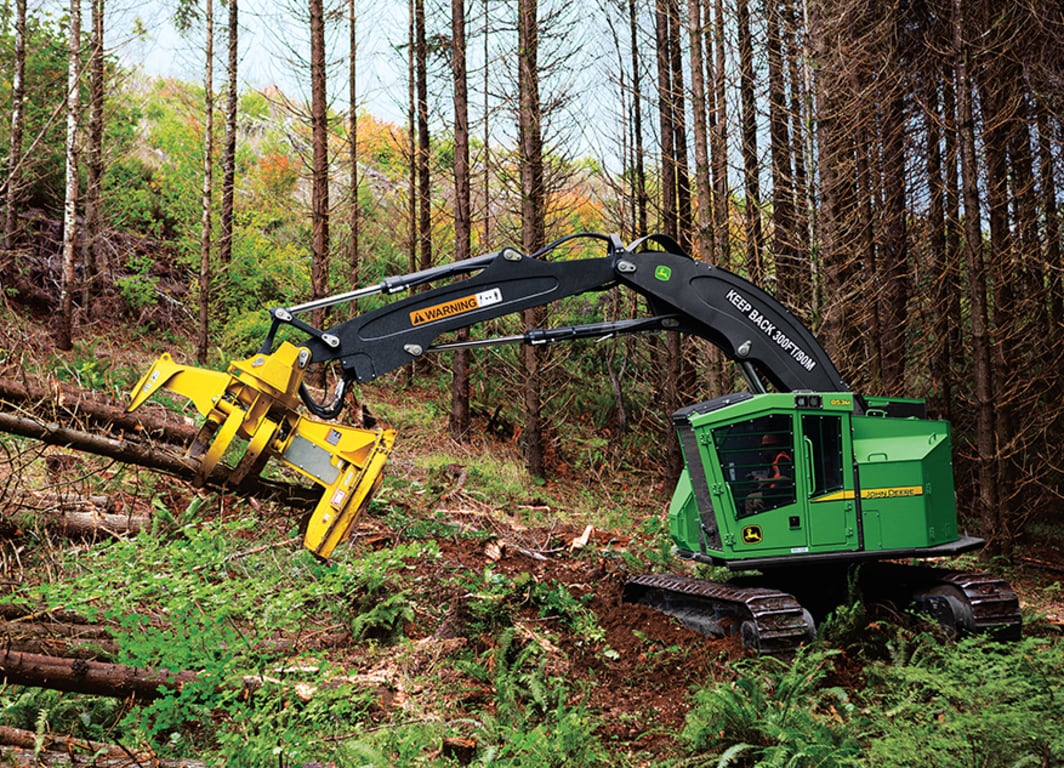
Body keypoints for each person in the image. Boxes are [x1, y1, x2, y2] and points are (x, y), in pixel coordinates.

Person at [744, 431, 794, 514]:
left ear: (774, 447)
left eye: (766, 447)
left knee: (749, 499)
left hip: (780, 494)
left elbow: (787, 478)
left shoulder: (782, 459)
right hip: (774, 492)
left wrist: (766, 481)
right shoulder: (773, 461)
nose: (764, 451)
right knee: (756, 501)